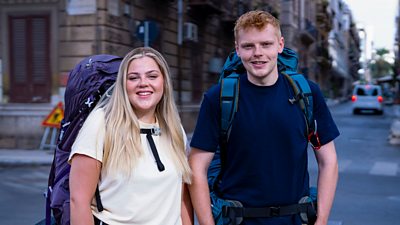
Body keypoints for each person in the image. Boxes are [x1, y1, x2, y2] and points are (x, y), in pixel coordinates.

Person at [189, 10, 339, 225]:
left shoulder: (307, 93)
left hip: (295, 219)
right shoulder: (219, 97)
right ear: (237, 49)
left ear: (280, 45)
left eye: (266, 44)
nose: (257, 53)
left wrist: (322, 220)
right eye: (249, 46)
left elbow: (329, 161)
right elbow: (197, 167)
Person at [69, 47, 193, 225]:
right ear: (123, 84)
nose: (143, 83)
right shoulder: (101, 124)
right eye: (133, 77)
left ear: (164, 82)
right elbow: (78, 202)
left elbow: (181, 200)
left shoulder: (173, 128)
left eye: (152, 76)